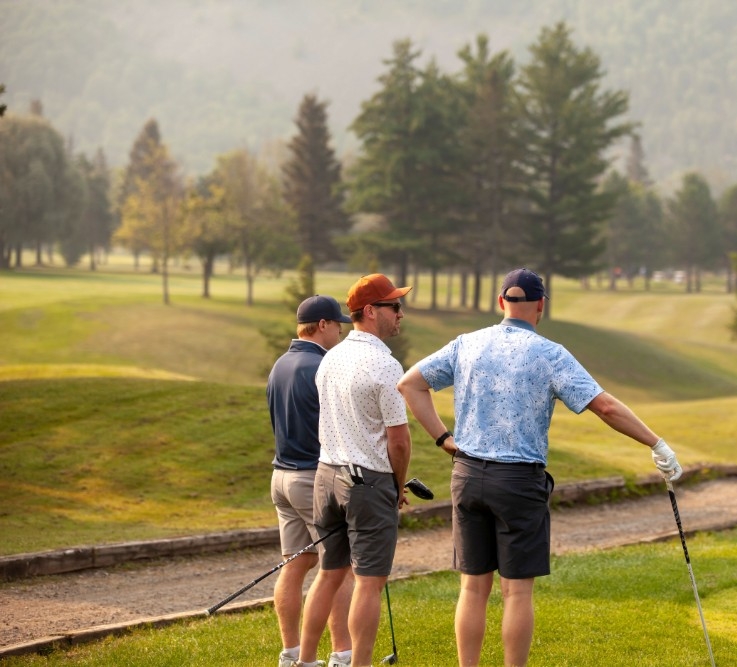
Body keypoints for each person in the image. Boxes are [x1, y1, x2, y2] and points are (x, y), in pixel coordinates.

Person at [396, 268, 683, 667]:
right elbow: (605, 407)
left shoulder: (467, 344)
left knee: (472, 588)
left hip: (467, 476)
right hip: (518, 482)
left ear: (501, 302)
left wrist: (444, 439)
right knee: (516, 592)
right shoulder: (550, 354)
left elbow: (410, 383)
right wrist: (656, 443)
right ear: (541, 307)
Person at [296, 274, 415, 667]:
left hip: (326, 476)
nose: (400, 313)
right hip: (367, 482)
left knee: (329, 573)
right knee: (368, 582)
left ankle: (305, 660)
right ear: (370, 311)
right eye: (394, 306)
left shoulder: (330, 358)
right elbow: (399, 441)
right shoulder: (386, 365)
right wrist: (398, 485)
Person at [267, 295, 356, 667]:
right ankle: (343, 653)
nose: (340, 332)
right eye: (337, 325)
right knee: (339, 567)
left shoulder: (280, 365)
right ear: (322, 325)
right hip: (311, 478)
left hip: (281, 477)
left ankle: (290, 655)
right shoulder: (322, 367)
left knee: (296, 563)